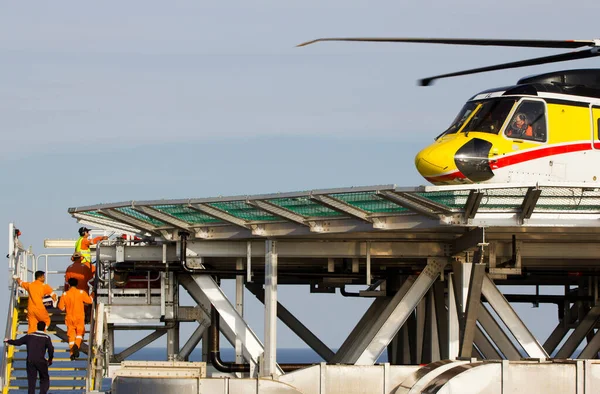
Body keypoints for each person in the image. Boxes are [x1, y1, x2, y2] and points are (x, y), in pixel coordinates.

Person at [4, 321, 54, 394]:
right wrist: (50, 359)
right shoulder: (46, 337)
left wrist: (8, 341)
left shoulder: (29, 336)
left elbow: (18, 342)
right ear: (44, 328)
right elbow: (51, 349)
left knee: (31, 381)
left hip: (30, 361)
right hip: (41, 361)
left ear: (37, 326)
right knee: (44, 379)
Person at [58, 278, 93, 360]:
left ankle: (72, 353)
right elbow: (90, 301)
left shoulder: (65, 294)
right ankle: (76, 346)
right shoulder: (81, 293)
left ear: (69, 285)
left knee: (71, 336)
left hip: (69, 317)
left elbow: (61, 308)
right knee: (80, 334)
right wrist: (93, 294)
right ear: (77, 284)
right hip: (79, 317)